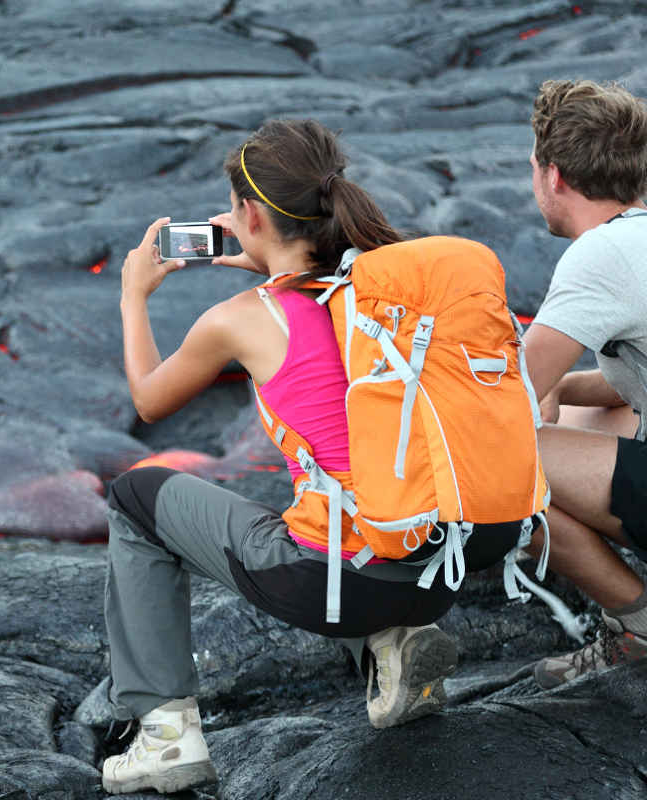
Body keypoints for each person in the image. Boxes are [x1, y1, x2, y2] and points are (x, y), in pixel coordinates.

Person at [101, 119, 536, 795]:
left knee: (135, 497)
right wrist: (269, 255)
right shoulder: (386, 297)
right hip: (436, 569)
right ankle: (391, 646)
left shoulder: (241, 319)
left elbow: (150, 401)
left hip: (333, 583)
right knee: (366, 488)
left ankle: (165, 734)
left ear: (248, 214)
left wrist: (133, 294)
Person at [521, 79, 647, 688]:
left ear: (554, 176)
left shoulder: (602, 255)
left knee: (487, 465)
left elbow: (505, 393)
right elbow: (632, 383)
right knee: (566, 421)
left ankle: (639, 626)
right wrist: (563, 390)